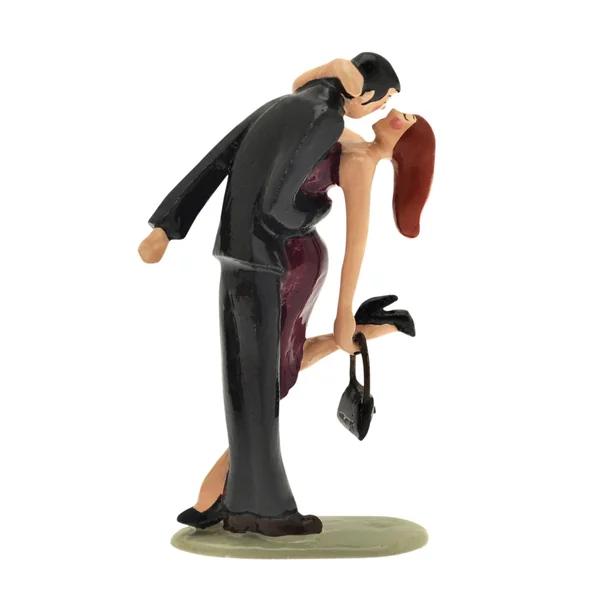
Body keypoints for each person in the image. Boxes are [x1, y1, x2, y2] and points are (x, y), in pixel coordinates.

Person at [139, 53, 424, 536]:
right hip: (269, 259)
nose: (389, 113)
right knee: (262, 380)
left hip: (276, 262)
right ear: (363, 92)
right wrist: (167, 226)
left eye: (400, 115)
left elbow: (353, 239)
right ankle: (224, 497)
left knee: (258, 382)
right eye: (387, 101)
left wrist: (342, 312)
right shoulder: (326, 122)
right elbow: (235, 155)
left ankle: (254, 505)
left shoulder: (346, 146)